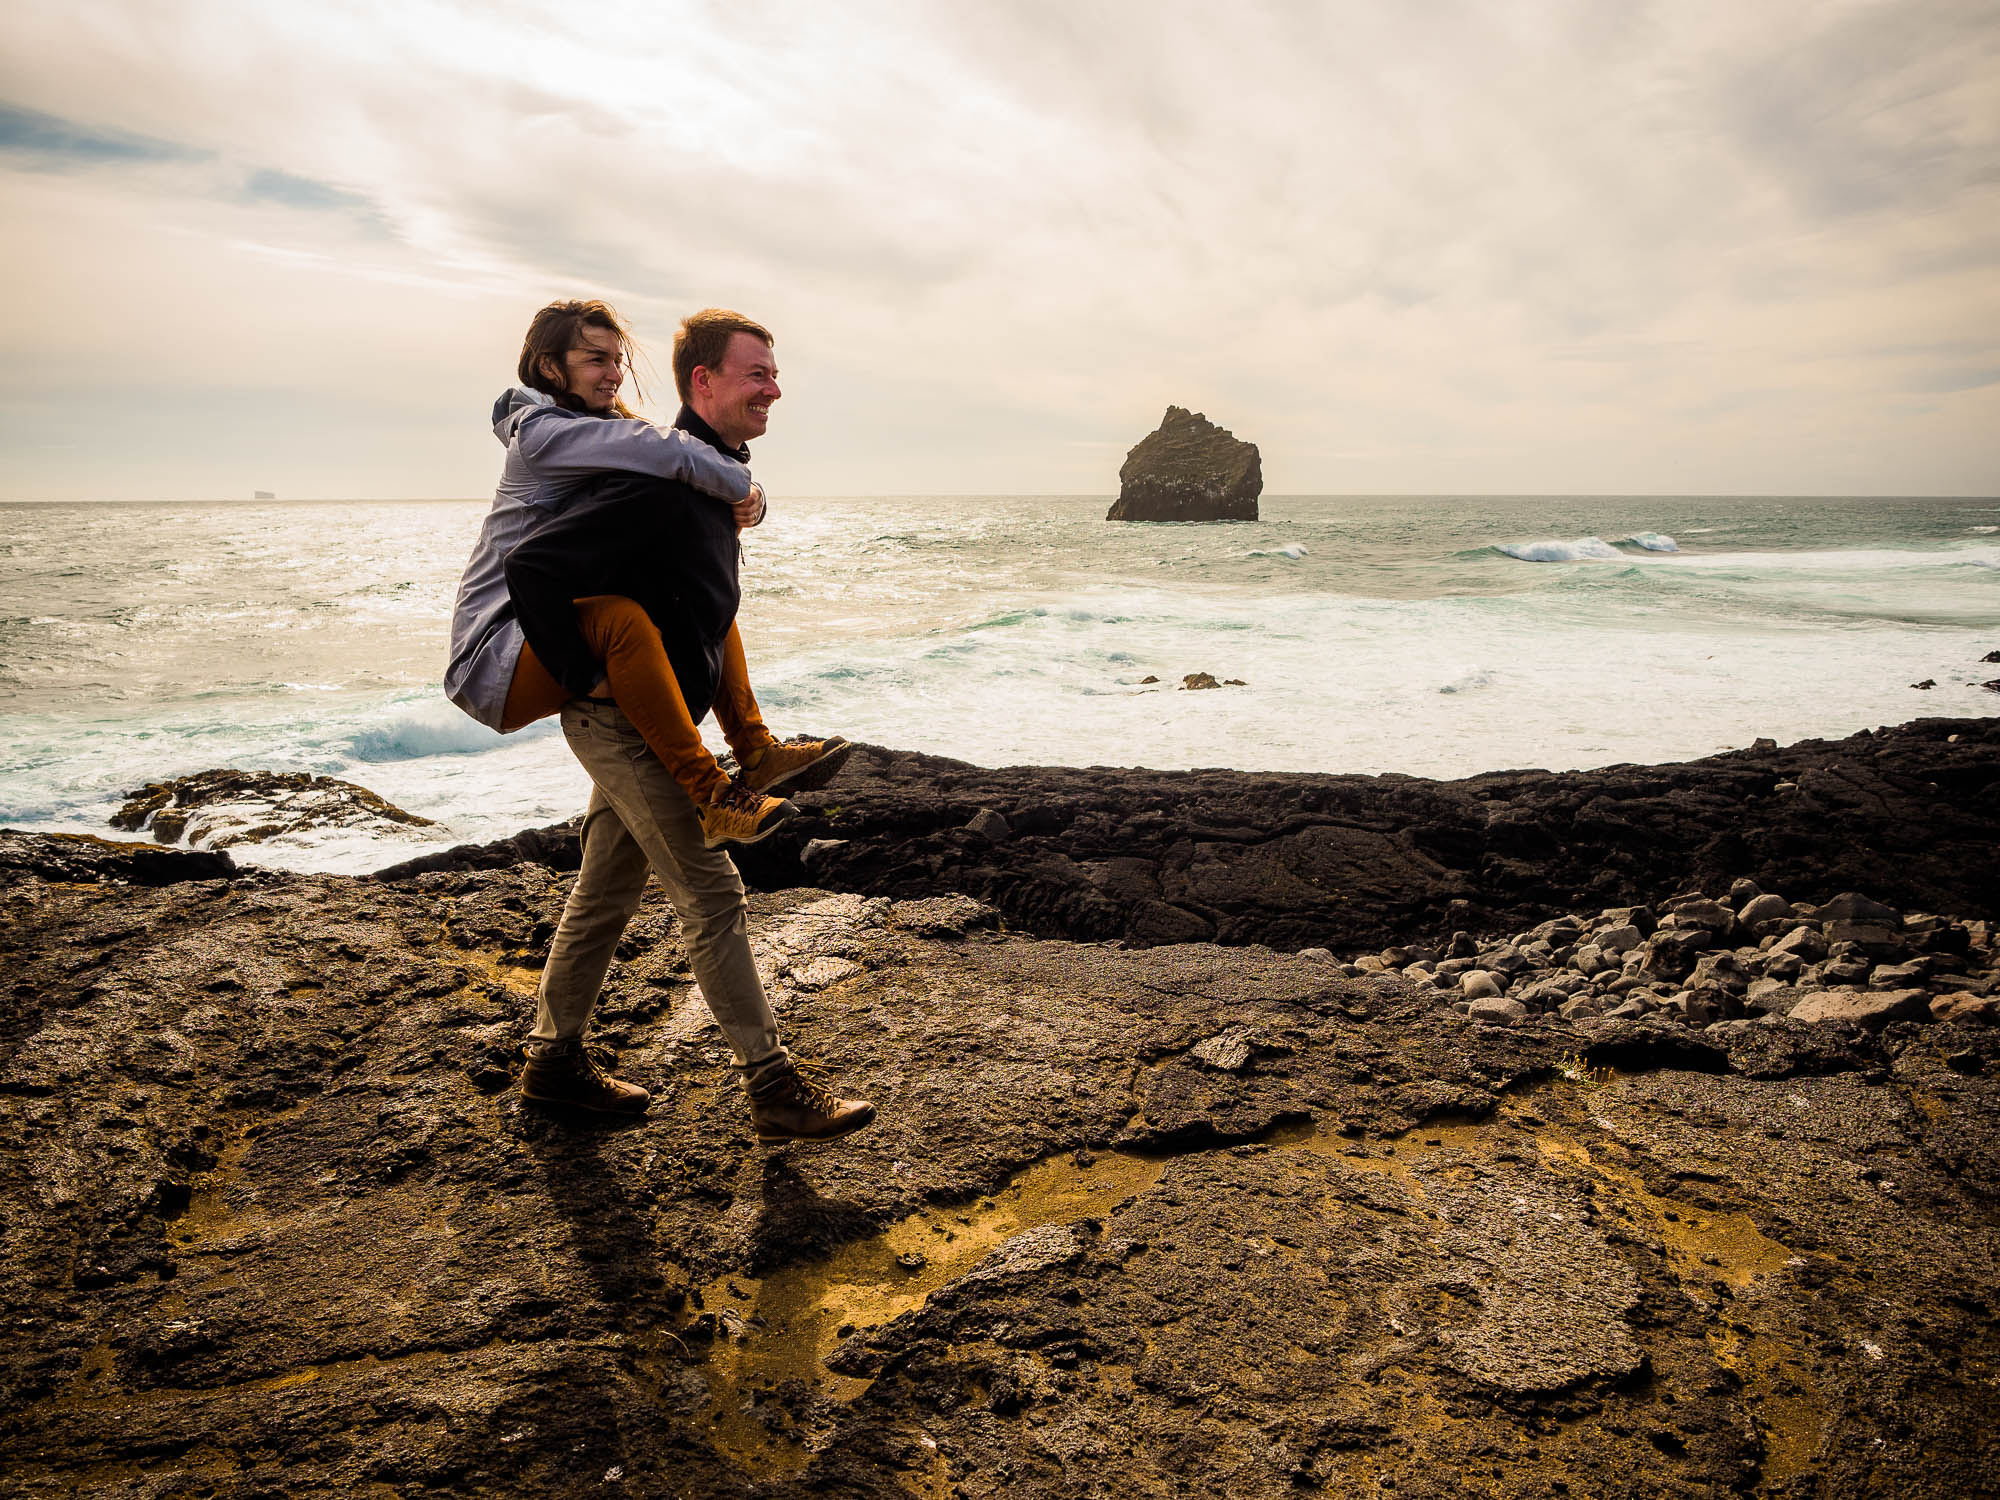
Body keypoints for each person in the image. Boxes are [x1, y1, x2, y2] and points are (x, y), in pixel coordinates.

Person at [502, 307, 876, 1142]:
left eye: (775, 373)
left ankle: (552, 1065)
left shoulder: (710, 475)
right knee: (713, 895)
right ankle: (772, 1086)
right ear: (702, 382)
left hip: (642, 721)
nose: (774, 388)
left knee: (604, 892)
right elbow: (531, 564)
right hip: (624, 728)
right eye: (757, 374)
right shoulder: (656, 481)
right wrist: (583, 675)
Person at [443, 299, 850, 849]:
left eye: (618, 361)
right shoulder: (543, 435)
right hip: (495, 651)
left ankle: (754, 748)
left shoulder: (602, 430)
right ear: (548, 367)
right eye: (595, 360)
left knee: (709, 605)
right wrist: (586, 676)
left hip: (544, 628)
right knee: (621, 619)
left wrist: (754, 499)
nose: (614, 374)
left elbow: (677, 457)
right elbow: (674, 452)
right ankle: (714, 795)